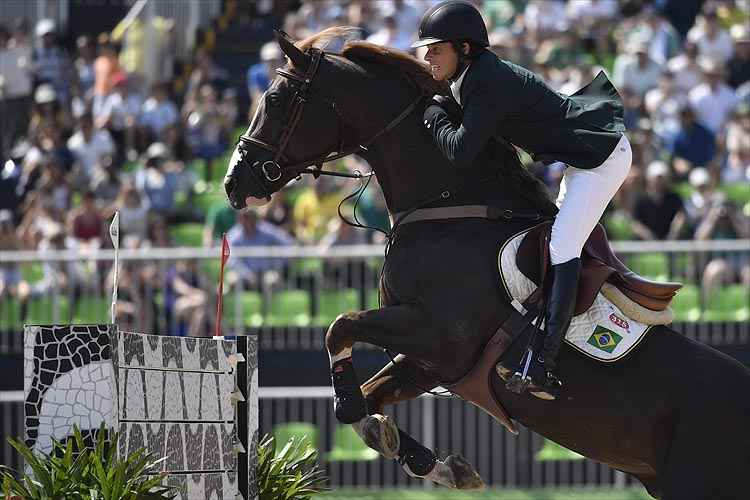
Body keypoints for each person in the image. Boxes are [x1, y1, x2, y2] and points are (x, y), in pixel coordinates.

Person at [415, 0, 631, 400]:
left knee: (563, 244)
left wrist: (433, 118)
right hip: (580, 160)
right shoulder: (473, 75)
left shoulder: (486, 80)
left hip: (601, 158)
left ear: (464, 48)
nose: (428, 56)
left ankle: (546, 366)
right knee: (558, 237)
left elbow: (461, 153)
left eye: (436, 48)